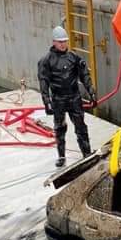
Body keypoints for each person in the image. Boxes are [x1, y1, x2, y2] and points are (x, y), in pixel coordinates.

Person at [38, 26, 97, 168]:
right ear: (53, 42)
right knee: (59, 128)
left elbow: (85, 76)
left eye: (65, 41)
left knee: (81, 127)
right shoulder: (46, 61)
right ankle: (61, 156)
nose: (63, 44)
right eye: (60, 41)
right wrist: (47, 101)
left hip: (74, 97)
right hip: (58, 99)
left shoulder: (74, 58)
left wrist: (91, 92)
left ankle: (86, 154)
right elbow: (43, 81)